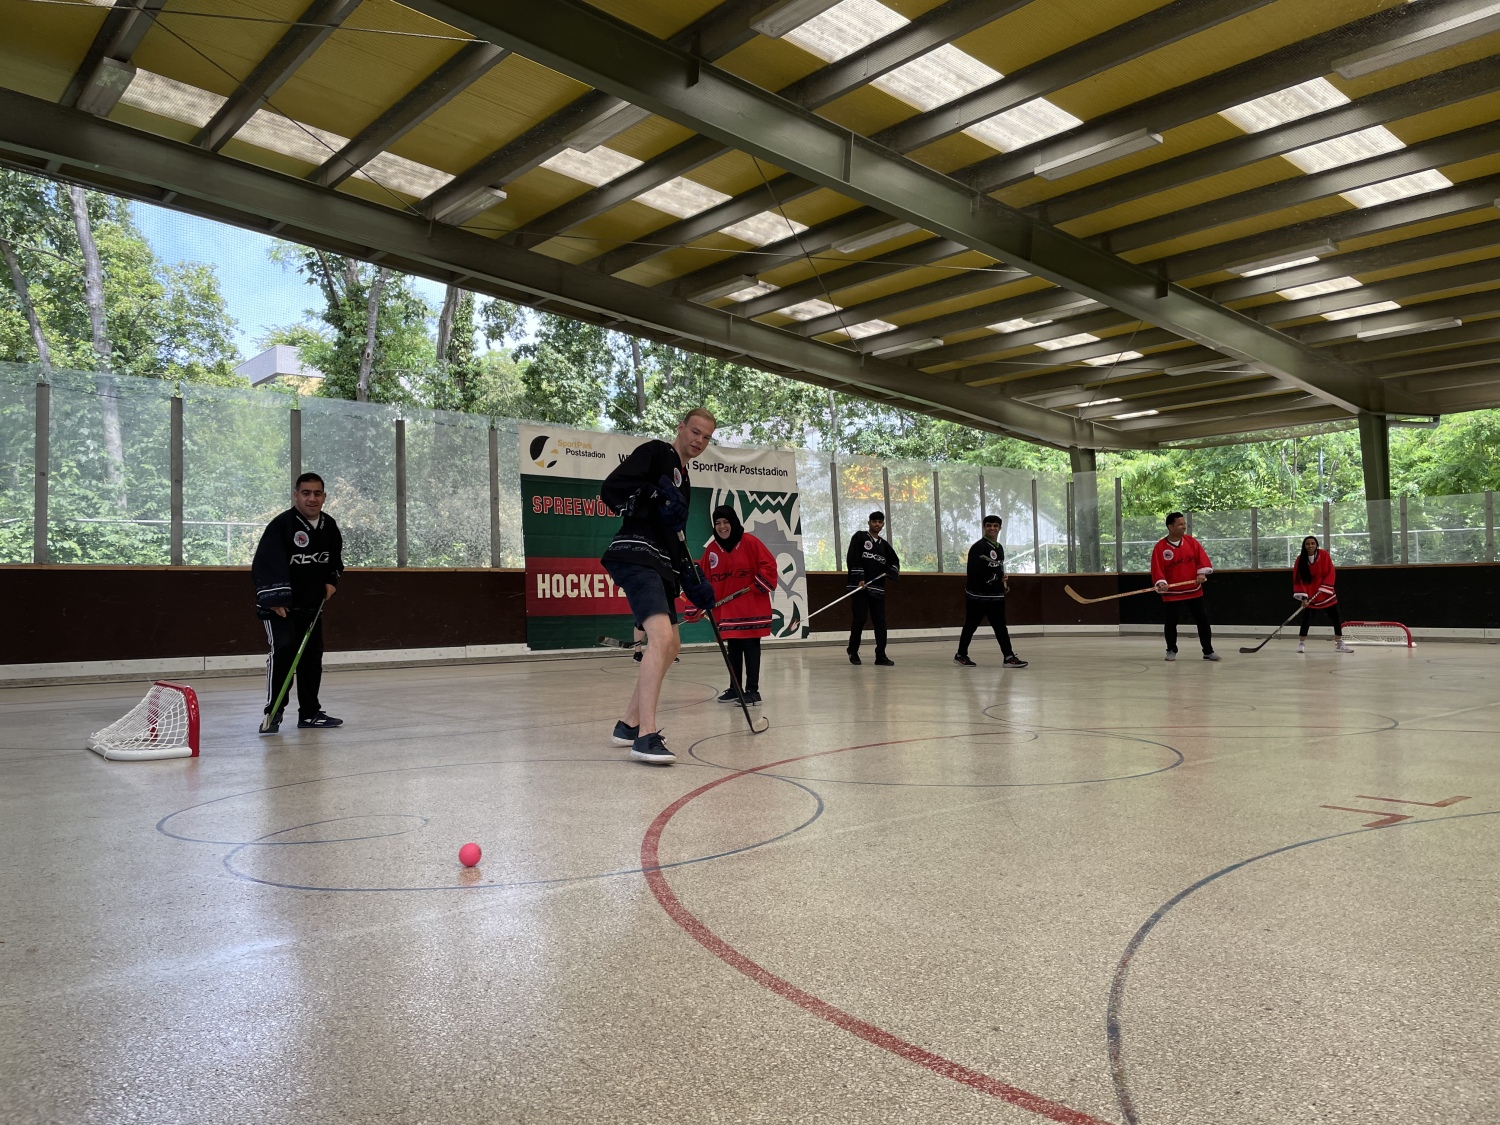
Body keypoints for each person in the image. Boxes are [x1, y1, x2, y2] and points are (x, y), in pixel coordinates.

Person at [600, 407, 717, 765]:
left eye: (706, 437)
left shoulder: (685, 477)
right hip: (636, 555)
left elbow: (675, 536)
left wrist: (690, 578)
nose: (699, 440)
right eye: (695, 432)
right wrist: (655, 495)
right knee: (661, 639)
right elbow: (612, 491)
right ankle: (646, 737)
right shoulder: (654, 452)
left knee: (672, 644)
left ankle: (629, 725)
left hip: (661, 562)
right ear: (680, 427)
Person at [252, 472, 344, 733]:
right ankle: (274, 712)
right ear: (296, 495)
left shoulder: (330, 526)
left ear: (324, 496)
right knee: (284, 651)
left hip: (311, 608)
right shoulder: (282, 525)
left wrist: (331, 581)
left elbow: (334, 561)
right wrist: (275, 598)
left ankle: (310, 713)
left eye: (317, 493)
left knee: (312, 658)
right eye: (306, 493)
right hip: (280, 609)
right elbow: (265, 564)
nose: (311, 498)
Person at [694, 505, 778, 705]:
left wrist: (759, 581)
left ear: (733, 522)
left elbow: (769, 565)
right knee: (733, 648)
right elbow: (701, 578)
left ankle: (752, 690)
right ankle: (735, 688)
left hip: (751, 607)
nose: (722, 527)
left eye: (726, 522)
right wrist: (697, 604)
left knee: (750, 646)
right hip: (727, 610)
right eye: (718, 523)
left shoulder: (750, 542)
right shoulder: (712, 550)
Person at [955, 515, 1026, 669]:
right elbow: (974, 571)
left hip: (996, 596)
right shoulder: (979, 547)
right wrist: (993, 579)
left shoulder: (999, 547)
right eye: (989, 525)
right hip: (978, 596)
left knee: (1001, 627)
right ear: (984, 527)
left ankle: (1008, 657)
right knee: (971, 625)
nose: (992, 528)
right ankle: (961, 654)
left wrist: (1002, 579)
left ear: (999, 528)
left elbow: (997, 567)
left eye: (995, 526)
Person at [1151, 511, 1219, 662]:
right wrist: (1161, 583)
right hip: (1172, 593)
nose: (1184, 527)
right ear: (1170, 526)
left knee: (1202, 619)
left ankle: (1208, 651)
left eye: (1184, 524)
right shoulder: (1160, 547)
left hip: (1193, 590)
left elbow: (1202, 561)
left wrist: (1201, 573)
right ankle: (1171, 650)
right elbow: (1157, 569)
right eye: (1180, 524)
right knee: (1171, 622)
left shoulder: (1191, 542)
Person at [846, 511, 900, 666]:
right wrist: (859, 578)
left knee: (880, 622)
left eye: (880, 522)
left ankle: (881, 655)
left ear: (883, 524)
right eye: (874, 521)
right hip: (860, 588)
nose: (877, 524)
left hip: (877, 589)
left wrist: (891, 571)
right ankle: (853, 650)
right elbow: (853, 557)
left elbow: (894, 562)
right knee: (860, 619)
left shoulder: (884, 546)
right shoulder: (860, 537)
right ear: (869, 522)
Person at [1293, 535, 1353, 654]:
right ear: (1304, 546)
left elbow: (1330, 571)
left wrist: (1325, 586)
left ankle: (1339, 643)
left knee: (1336, 617)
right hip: (1310, 593)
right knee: (1306, 619)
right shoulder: (1300, 559)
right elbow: (1298, 579)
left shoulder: (1324, 555)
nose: (1310, 546)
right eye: (1307, 544)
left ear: (1316, 545)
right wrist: (1304, 598)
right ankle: (1301, 643)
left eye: (1312, 543)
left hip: (1325, 592)